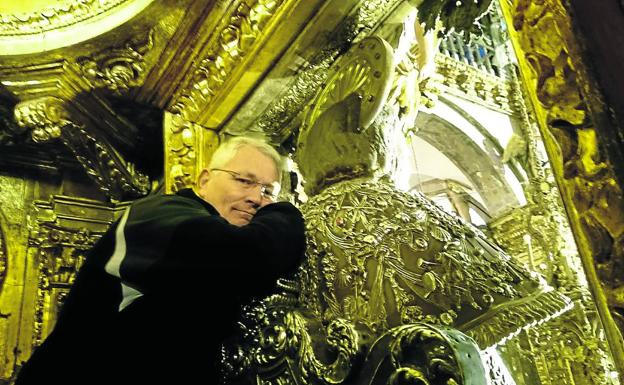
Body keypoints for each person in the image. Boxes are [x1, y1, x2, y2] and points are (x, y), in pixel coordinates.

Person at [15, 136, 306, 385]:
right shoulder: (161, 214)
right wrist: (286, 213)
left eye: (269, 191)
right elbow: (251, 256)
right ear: (204, 180)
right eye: (244, 181)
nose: (256, 198)